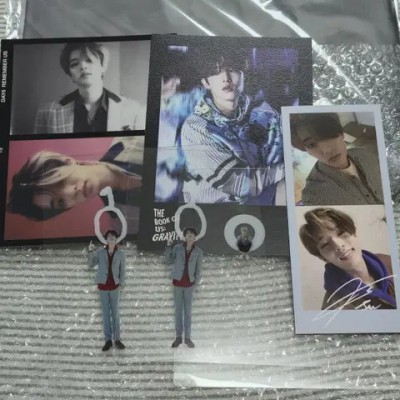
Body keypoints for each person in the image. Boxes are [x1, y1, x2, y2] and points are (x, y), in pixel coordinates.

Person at [180, 53, 285, 205]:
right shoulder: (196, 127)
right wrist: (287, 170)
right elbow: (240, 185)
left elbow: (281, 159)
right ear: (206, 82)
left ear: (243, 75)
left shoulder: (266, 114)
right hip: (214, 212)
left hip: (262, 204)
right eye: (216, 72)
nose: (226, 78)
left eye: (233, 69)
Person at [7, 136, 143, 234]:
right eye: (60, 202)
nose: (71, 192)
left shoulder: (132, 140)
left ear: (66, 161)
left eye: (60, 183)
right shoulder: (122, 223)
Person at [34, 42, 145, 134]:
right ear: (71, 75)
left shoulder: (133, 109)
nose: (83, 66)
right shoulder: (47, 111)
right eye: (74, 64)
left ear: (103, 67)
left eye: (89, 60)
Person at [299, 207, 396, 310]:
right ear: (322, 257)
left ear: (354, 233)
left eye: (341, 233)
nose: (339, 246)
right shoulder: (334, 307)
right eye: (325, 244)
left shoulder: (389, 261)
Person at [290, 113, 384, 205]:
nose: (327, 150)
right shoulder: (314, 196)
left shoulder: (367, 154)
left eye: (327, 135)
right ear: (306, 151)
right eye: (311, 145)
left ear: (341, 133)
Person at [88, 230, 126, 351]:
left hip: (115, 287)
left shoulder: (120, 254)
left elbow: (122, 271)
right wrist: (90, 251)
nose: (111, 238)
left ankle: (117, 339)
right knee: (105, 314)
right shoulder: (100, 252)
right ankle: (108, 340)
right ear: (106, 239)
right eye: (109, 236)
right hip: (103, 287)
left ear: (116, 239)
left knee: (115, 314)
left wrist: (121, 284)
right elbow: (91, 264)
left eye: (113, 236)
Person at [165, 227, 203, 348]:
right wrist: (168, 246)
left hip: (189, 285)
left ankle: (187, 338)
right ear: (185, 236)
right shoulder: (178, 248)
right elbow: (168, 260)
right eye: (188, 233)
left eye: (192, 234)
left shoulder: (198, 252)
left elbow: (199, 269)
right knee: (178, 311)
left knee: (188, 312)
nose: (190, 235)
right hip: (177, 283)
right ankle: (178, 337)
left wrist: (195, 282)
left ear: (195, 237)